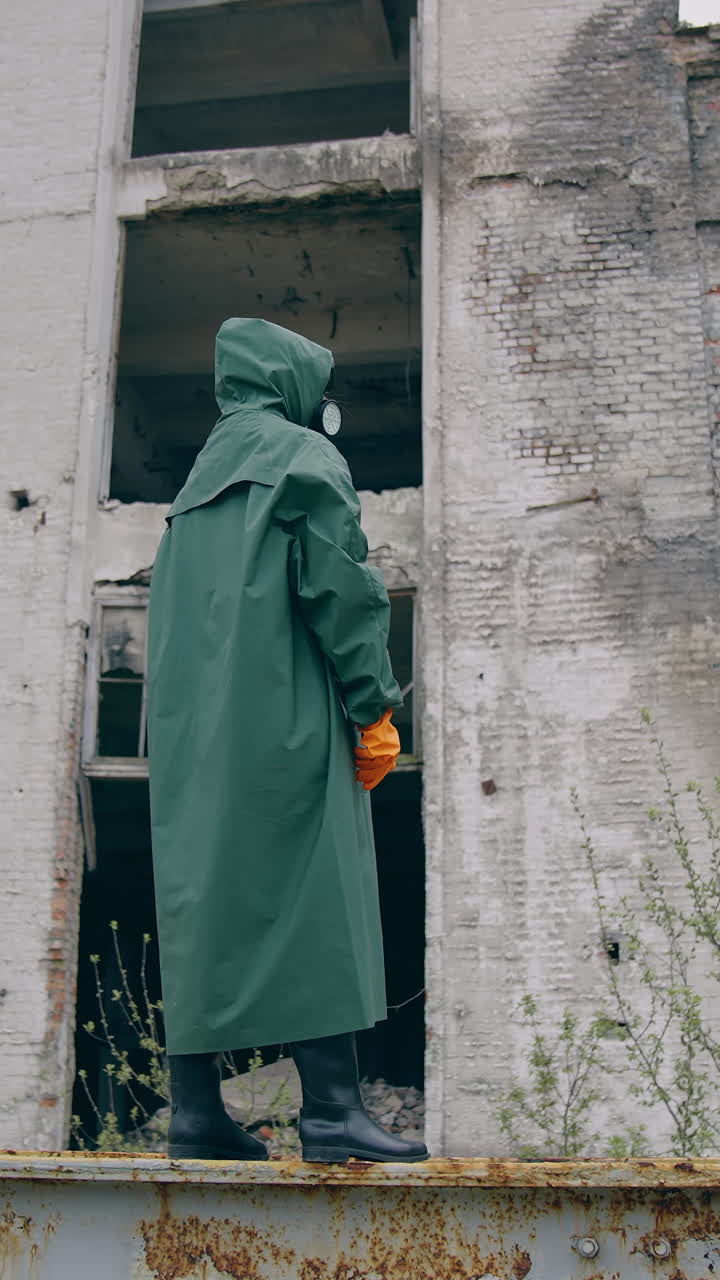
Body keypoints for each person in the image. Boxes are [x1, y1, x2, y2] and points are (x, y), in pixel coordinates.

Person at [146, 317, 428, 1164]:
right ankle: (334, 1112)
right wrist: (374, 705)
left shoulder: (194, 488)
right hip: (288, 712)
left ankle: (194, 1113)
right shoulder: (305, 458)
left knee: (201, 902)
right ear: (292, 381)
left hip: (195, 736)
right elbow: (341, 590)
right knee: (318, 893)